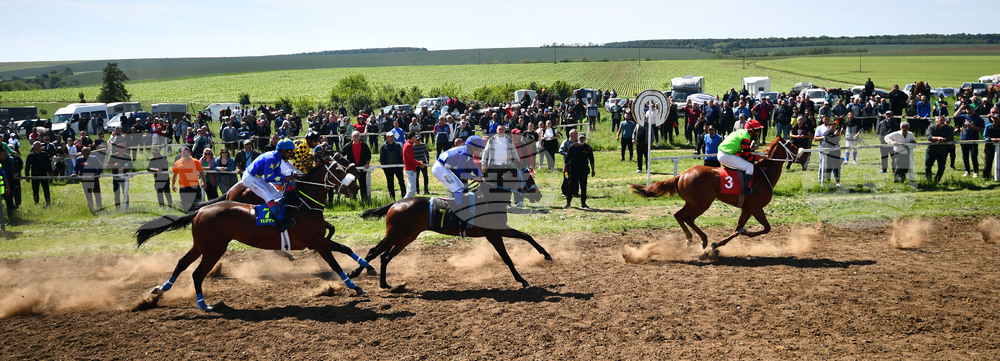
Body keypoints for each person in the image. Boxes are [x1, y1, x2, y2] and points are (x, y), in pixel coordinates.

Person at [241, 139, 297, 231]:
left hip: (257, 177)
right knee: (269, 196)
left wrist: (289, 177)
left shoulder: (278, 158)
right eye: (290, 151)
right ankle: (279, 223)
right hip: (249, 178)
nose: (291, 154)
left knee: (278, 195)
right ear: (282, 151)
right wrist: (285, 178)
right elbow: (268, 178)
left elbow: (277, 175)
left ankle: (282, 216)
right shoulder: (271, 159)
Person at [432, 135, 485, 225]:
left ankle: (461, 209)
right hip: (439, 169)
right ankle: (460, 214)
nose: (480, 151)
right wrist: (474, 177)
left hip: (444, 167)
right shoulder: (464, 154)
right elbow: (460, 173)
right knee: (458, 189)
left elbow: (472, 166)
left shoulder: (467, 152)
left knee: (461, 187)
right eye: (478, 149)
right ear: (472, 147)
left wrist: (481, 176)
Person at [717, 119, 767, 194]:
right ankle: (745, 189)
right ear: (752, 131)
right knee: (750, 167)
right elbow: (748, 157)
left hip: (724, 153)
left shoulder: (742, 132)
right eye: (757, 131)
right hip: (726, 155)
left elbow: (744, 153)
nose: (758, 134)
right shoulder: (746, 138)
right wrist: (760, 157)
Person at [481, 124, 520, 190]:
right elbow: (486, 152)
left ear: (504, 130)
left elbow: (514, 152)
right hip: (494, 166)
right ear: (496, 130)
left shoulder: (509, 140)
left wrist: (517, 162)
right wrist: (483, 163)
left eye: (502, 129)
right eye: (499, 129)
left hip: (506, 167)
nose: (501, 130)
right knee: (494, 186)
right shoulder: (491, 140)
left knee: (505, 186)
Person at [563, 132, 595, 208]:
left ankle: (583, 203)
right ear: (578, 138)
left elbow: (592, 160)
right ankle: (568, 202)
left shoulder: (588, 148)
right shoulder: (573, 147)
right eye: (580, 138)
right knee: (571, 186)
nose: (582, 139)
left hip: (584, 171)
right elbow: (567, 159)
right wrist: (565, 168)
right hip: (573, 170)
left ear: (585, 139)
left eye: (583, 138)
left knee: (583, 187)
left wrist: (593, 170)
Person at [172, 147, 207, 213]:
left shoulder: (195, 161)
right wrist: (173, 184)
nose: (184, 154)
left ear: (190, 153)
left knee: (197, 205)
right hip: (183, 187)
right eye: (183, 152)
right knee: (186, 206)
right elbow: (175, 175)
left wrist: (204, 183)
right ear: (181, 153)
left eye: (186, 152)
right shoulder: (177, 163)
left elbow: (201, 172)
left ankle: (197, 220)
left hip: (195, 186)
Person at [954, 104, 984, 177]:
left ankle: (976, 171)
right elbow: (955, 116)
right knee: (965, 156)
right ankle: (967, 170)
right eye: (966, 108)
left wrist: (971, 126)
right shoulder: (963, 116)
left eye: (969, 108)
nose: (967, 109)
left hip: (973, 138)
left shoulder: (977, 117)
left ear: (973, 110)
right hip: (964, 138)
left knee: (973, 156)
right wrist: (961, 108)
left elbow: (981, 129)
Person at [343, 131, 372, 202]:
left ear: (359, 137)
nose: (356, 137)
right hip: (352, 169)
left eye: (357, 136)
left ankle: (364, 200)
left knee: (363, 184)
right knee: (352, 185)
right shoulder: (348, 146)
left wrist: (367, 163)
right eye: (354, 136)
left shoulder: (364, 145)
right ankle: (353, 200)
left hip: (362, 168)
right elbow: (341, 154)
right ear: (352, 137)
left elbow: (368, 155)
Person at [814, 116, 843, 186]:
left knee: (837, 168)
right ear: (829, 127)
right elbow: (828, 139)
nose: (833, 128)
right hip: (829, 153)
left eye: (834, 127)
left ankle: (837, 182)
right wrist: (834, 135)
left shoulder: (835, 133)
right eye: (832, 127)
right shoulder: (826, 133)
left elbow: (838, 140)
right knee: (828, 169)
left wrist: (839, 134)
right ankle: (827, 182)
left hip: (836, 153)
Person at [925, 115, 955, 183]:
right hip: (931, 149)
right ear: (936, 121)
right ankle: (929, 181)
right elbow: (929, 137)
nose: (942, 122)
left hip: (942, 150)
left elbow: (950, 138)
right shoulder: (931, 127)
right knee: (928, 166)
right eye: (940, 120)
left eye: (943, 120)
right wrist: (937, 138)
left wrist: (944, 140)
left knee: (941, 167)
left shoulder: (948, 128)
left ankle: (936, 180)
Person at [73, 147, 103, 211]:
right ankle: (91, 208)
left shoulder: (94, 158)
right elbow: (75, 169)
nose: (86, 152)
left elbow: (100, 167)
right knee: (88, 194)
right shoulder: (78, 160)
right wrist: (74, 173)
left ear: (89, 152)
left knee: (97, 193)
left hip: (94, 179)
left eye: (87, 151)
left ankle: (100, 207)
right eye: (85, 151)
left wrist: (97, 173)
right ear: (81, 152)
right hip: (85, 179)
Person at [24, 142, 52, 206]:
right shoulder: (30, 156)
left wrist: (50, 172)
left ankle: (48, 202)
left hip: (44, 174)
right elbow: (27, 166)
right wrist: (27, 175)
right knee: (35, 190)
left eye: (39, 145)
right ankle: (36, 203)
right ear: (33, 147)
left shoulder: (44, 154)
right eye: (36, 145)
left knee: (46, 189)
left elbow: (49, 164)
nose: (38, 147)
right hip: (34, 175)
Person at [107, 144, 134, 211]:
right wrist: (114, 165)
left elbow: (131, 166)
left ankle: (126, 206)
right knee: (116, 192)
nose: (121, 149)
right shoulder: (113, 156)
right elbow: (107, 166)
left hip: (125, 177)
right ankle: (117, 207)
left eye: (122, 148)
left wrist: (124, 167)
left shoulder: (127, 156)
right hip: (116, 176)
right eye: (119, 148)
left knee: (125, 192)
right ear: (117, 149)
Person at [379, 132, 405, 200]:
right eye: (390, 136)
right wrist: (384, 168)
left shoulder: (398, 145)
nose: (391, 138)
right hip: (388, 168)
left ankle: (404, 197)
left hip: (398, 167)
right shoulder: (383, 146)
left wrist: (401, 165)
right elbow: (381, 158)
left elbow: (401, 155)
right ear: (387, 137)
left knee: (401, 182)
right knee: (390, 184)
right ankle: (392, 198)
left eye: (392, 136)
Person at [402, 132, 424, 198]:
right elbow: (411, 159)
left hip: (409, 169)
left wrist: (418, 163)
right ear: (413, 137)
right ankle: (404, 203)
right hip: (410, 169)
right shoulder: (408, 145)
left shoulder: (407, 144)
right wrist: (419, 163)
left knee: (410, 188)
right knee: (412, 190)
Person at [983, 114, 1000, 180]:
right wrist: (992, 139)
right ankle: (986, 177)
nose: (995, 120)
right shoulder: (988, 126)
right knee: (988, 162)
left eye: (997, 118)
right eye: (994, 118)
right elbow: (985, 136)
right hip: (989, 146)